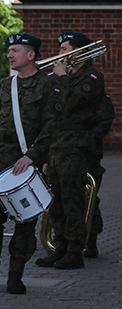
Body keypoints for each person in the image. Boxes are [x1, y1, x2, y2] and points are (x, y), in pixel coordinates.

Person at [0, 32, 62, 295]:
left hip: (26, 163)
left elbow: (52, 128)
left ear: (31, 55)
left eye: (15, 50)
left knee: (24, 219)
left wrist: (32, 157)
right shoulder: (6, 86)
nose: (10, 55)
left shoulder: (47, 87)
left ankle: (16, 275)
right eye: (10, 50)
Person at [34, 32, 105, 270]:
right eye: (61, 49)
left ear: (80, 52)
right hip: (56, 144)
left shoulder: (93, 77)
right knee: (56, 199)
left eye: (65, 49)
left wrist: (62, 77)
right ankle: (60, 245)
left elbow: (73, 101)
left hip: (76, 145)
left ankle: (76, 250)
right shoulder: (61, 77)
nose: (60, 54)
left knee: (73, 198)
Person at [84, 91, 115, 257]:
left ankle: (91, 241)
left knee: (88, 199)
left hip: (88, 153)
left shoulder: (94, 85)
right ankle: (63, 242)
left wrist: (86, 140)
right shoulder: (61, 83)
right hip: (62, 150)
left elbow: (105, 119)